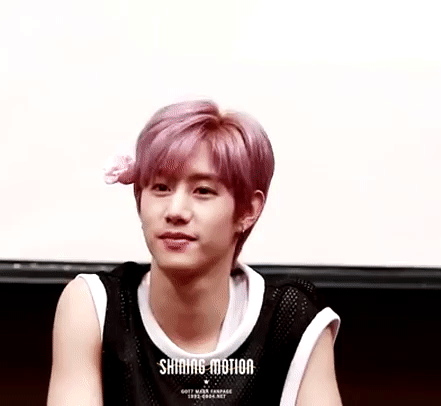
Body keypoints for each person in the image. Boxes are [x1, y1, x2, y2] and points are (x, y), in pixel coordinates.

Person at [47, 100, 342, 405]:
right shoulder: (95, 307)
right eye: (161, 188)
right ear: (139, 198)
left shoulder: (291, 319)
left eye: (203, 191)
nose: (175, 211)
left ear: (247, 210)